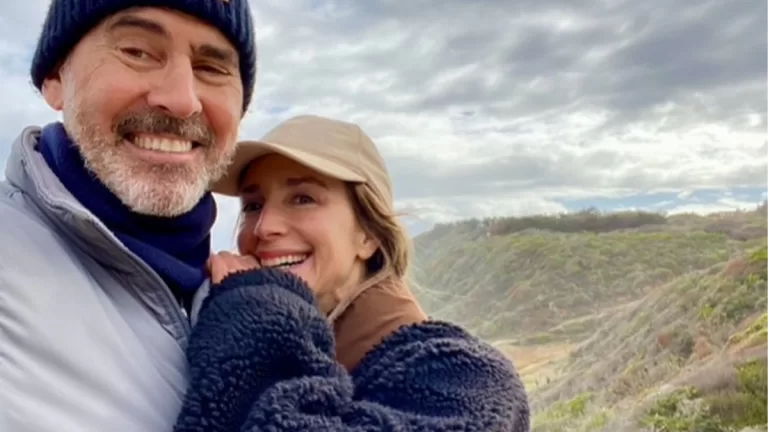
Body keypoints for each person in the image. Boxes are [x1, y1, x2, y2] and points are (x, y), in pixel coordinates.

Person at [172, 114, 531, 431]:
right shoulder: (221, 333)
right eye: (253, 205)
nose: (264, 227)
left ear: (369, 234)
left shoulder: (470, 379)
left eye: (303, 198)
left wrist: (256, 313)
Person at [0, 1, 256, 431]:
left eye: (212, 68)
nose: (182, 100)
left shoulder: (242, 296)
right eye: (137, 52)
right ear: (55, 78)